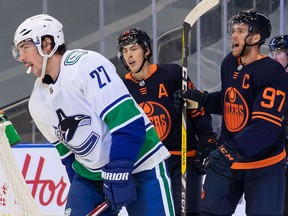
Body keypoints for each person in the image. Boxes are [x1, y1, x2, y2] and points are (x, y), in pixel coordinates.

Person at [12, 14, 175, 216]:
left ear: (47, 44)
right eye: (18, 50)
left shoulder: (86, 65)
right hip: (91, 176)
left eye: (25, 47)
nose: (21, 57)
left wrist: (119, 171)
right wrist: (80, 192)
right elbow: (67, 155)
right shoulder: (37, 102)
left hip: (142, 163)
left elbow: (128, 124)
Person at [174, 10, 288, 216]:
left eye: (241, 31)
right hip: (230, 160)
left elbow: (266, 127)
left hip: (264, 165)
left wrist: (228, 152)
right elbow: (231, 101)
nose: (234, 35)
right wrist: (203, 101)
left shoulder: (272, 72)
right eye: (233, 30)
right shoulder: (229, 63)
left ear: (256, 38)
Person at [117, 28, 218, 216]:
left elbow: (197, 108)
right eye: (124, 51)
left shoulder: (172, 74)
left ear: (146, 51)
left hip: (183, 157)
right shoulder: (120, 87)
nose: (129, 56)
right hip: (148, 164)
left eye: (133, 49)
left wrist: (206, 137)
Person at [269, 35, 288, 216]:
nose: (275, 58)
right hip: (277, 154)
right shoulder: (273, 81)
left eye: (280, 53)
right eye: (273, 53)